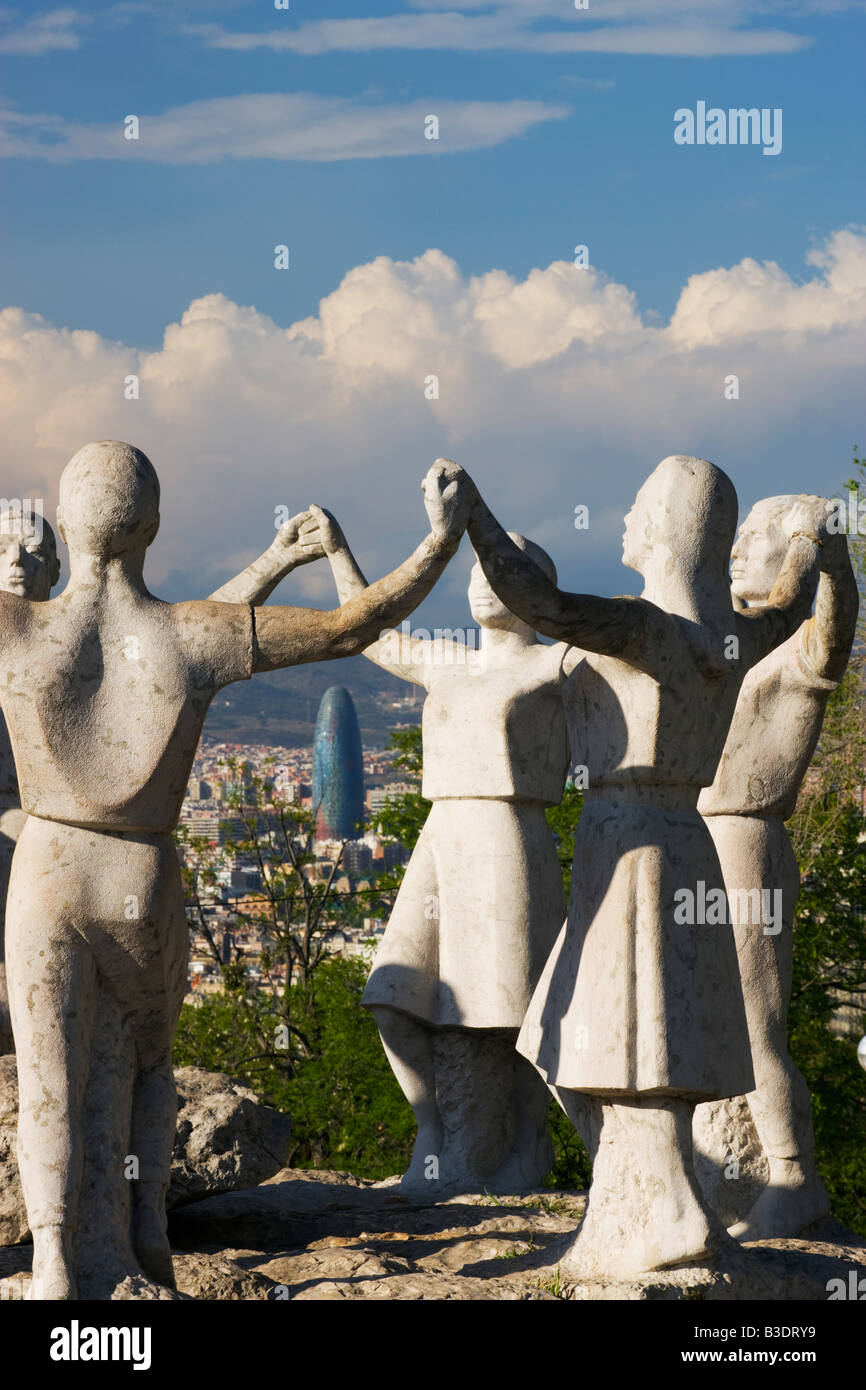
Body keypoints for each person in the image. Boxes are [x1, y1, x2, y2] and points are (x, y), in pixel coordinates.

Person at [2, 441, 469, 1299]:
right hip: (140, 872)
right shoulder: (189, 635)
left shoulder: (13, 628)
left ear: (64, 525)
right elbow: (352, 625)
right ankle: (144, 1235)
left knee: (48, 1083)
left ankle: (58, 1267)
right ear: (153, 527)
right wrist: (441, 539)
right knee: (147, 1067)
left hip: (46, 868)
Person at [463, 455, 827, 1277]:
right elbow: (794, 598)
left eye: (637, 504)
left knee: (628, 1038)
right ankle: (649, 1201)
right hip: (682, 838)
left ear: (668, 524)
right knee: (631, 1035)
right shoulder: (734, 633)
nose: (623, 516)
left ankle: (659, 1210)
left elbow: (540, 602)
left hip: (625, 836)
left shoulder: (642, 626)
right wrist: (809, 540)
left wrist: (474, 519)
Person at [300, 500, 580, 1193]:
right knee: (395, 994)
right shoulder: (447, 661)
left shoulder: (555, 666)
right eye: (481, 564)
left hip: (508, 839)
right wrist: (338, 551)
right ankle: (435, 1132)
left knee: (505, 1007)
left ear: (535, 588)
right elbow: (373, 632)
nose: (486, 577)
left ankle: (520, 1149)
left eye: (507, 567)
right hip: (442, 839)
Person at [696, 495, 857, 1240]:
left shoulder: (795, 653)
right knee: (699, 1018)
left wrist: (831, 558)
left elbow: (834, 629)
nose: (737, 550)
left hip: (746, 844)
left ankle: (792, 1175)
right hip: (697, 840)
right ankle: (712, 1176)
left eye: (757, 537)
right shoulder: (728, 647)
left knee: (756, 1028)